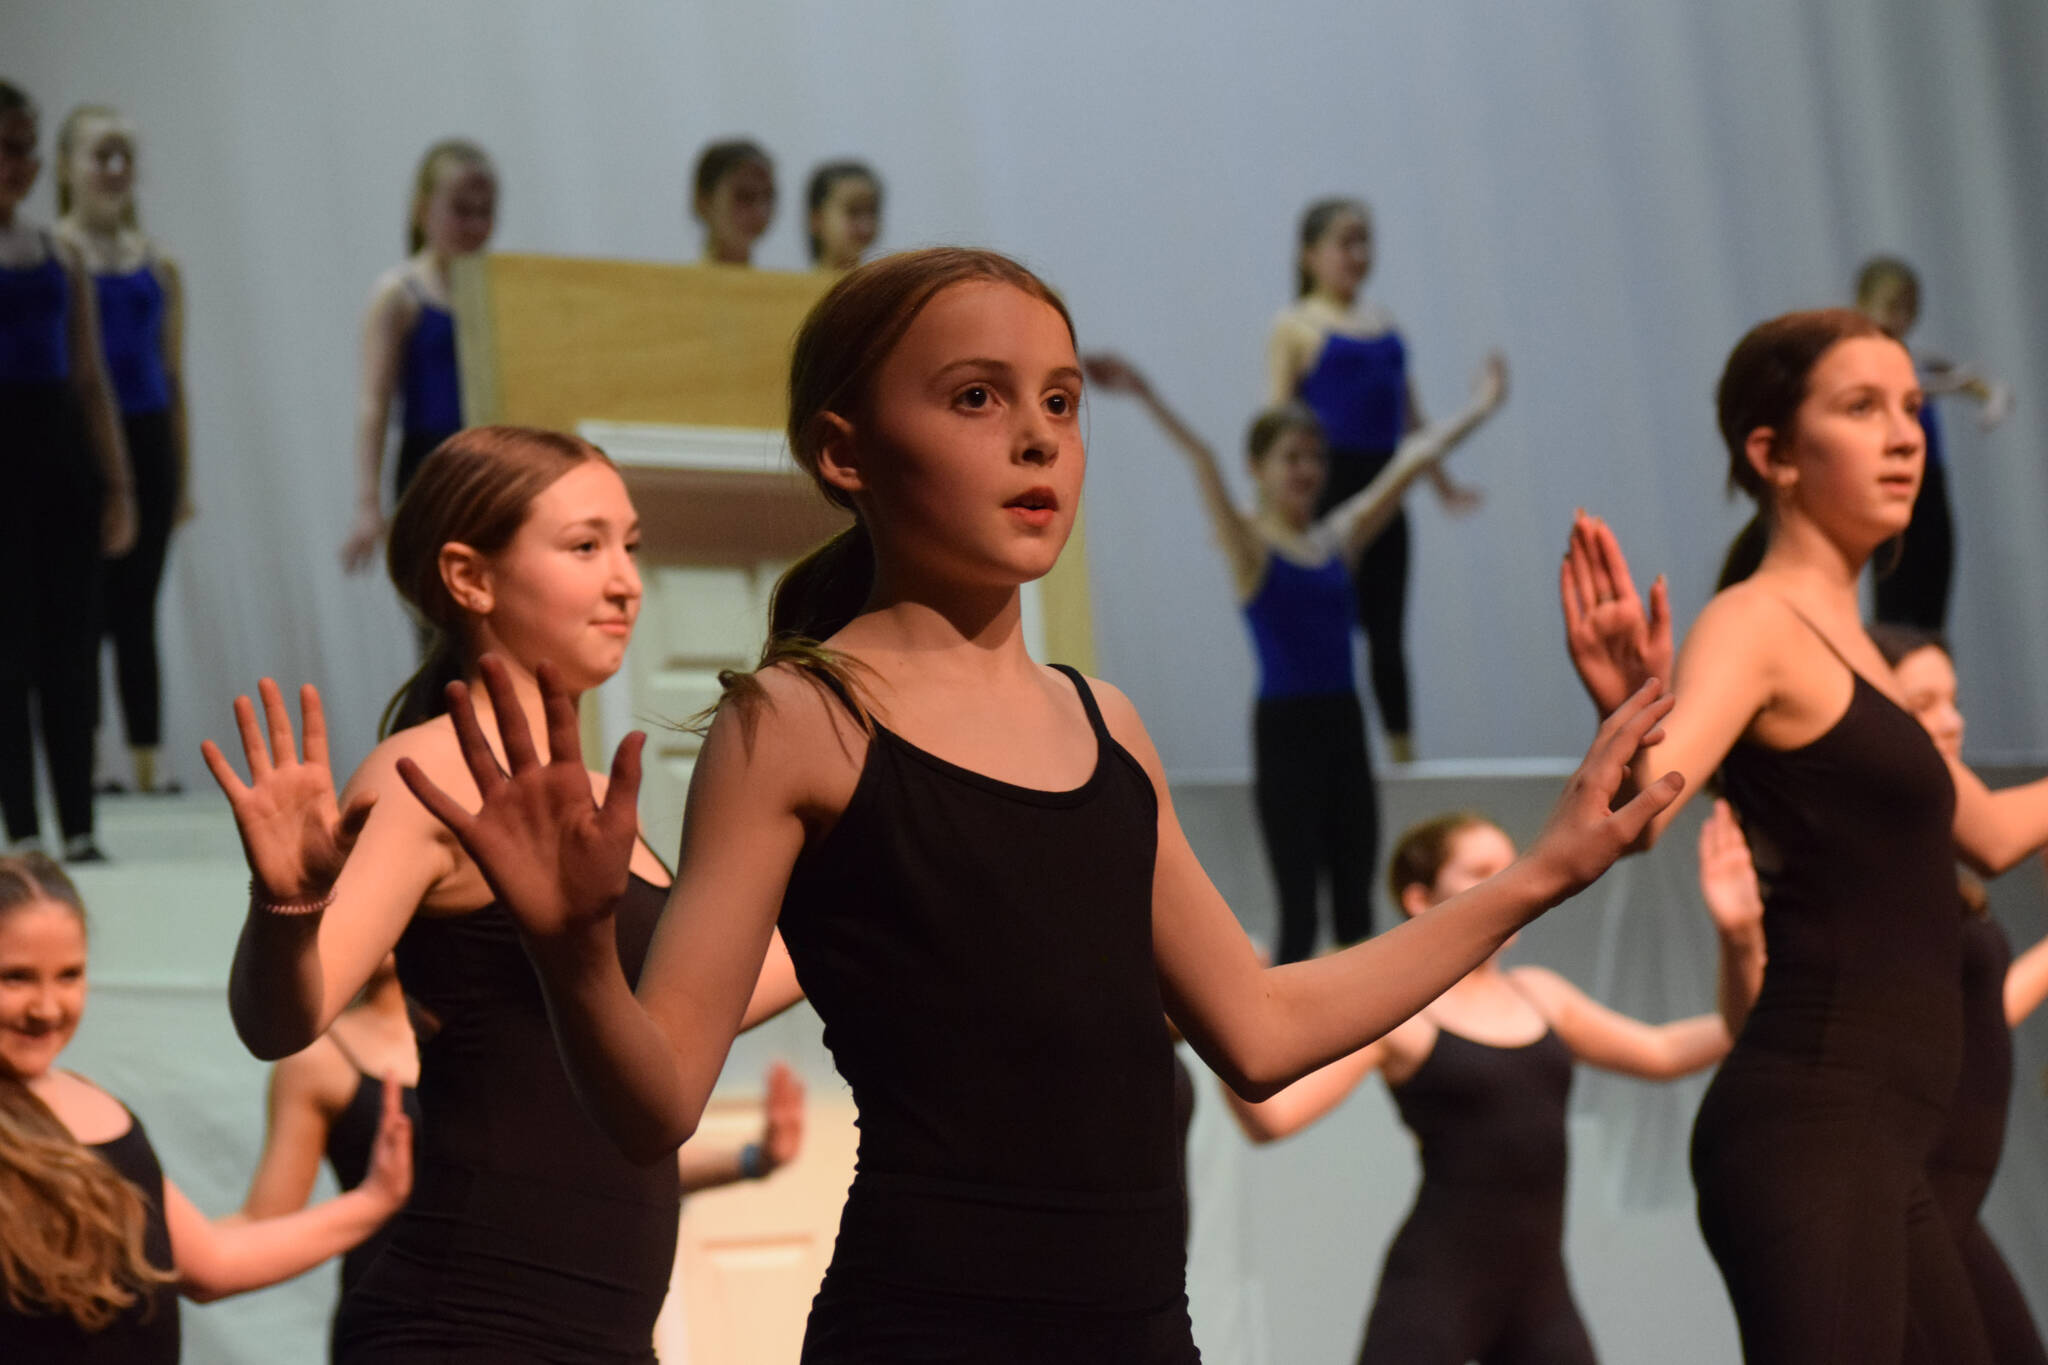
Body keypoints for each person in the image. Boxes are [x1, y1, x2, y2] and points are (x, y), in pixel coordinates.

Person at [393, 247, 1682, 1362]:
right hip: (924, 1332)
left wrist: (1543, 872)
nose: (1035, 437)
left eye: (1060, 403)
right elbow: (658, 1097)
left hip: (1136, 1334)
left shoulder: (1104, 724)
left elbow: (1263, 1025)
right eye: (974, 398)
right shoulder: (796, 721)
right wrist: (571, 954)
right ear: (843, 450)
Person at [206, 426, 806, 1362]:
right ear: (470, 577)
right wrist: (285, 906)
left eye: (631, 544)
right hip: (469, 1324)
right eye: (585, 545)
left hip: (601, 1334)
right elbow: (287, 1018)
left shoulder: (594, 801)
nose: (626, 581)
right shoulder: (429, 769)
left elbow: (691, 1004)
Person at [1558, 307, 2048, 1363]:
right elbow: (1639, 813)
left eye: (1911, 409)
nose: (1905, 435)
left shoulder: (1855, 646)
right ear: (1772, 455)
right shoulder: (1755, 622)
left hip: (1879, 1146)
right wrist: (1626, 719)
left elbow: (1997, 833)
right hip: (1812, 1127)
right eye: (1861, 408)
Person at [1223, 809, 1759, 1364]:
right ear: (1419, 900)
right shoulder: (1404, 1017)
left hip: (1541, 1295)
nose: (1506, 884)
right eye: (1481, 870)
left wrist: (1739, 938)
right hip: (1439, 1284)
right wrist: (1222, 1012)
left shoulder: (1541, 996)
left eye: (1510, 867)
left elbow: (1672, 1050)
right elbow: (1271, 1118)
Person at [1084, 351, 1506, 961]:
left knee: (1357, 907)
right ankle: (1290, 1055)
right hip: (1286, 738)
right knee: (1300, 909)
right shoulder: (1249, 548)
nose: (1307, 469)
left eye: (1315, 457)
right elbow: (1202, 459)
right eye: (1291, 458)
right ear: (1258, 468)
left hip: (1344, 730)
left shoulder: (1337, 537)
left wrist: (1480, 407)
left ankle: (1368, 1051)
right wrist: (1145, 393)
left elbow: (1411, 460)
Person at [1715, 624, 2048, 1365]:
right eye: (1924, 701)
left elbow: (1977, 1017)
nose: (1953, 718)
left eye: (1955, 699)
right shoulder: (1852, 870)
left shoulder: (1931, 869)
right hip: (1887, 1177)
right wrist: (1737, 940)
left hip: (1941, 1196)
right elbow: (1760, 1024)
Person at [236, 949, 803, 1358]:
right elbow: (267, 1224)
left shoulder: (519, 1030)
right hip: (411, 1325)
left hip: (549, 1316)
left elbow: (595, 1170)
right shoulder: (319, 1061)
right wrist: (373, 1200)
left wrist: (753, 1160)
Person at [0, 852, 411, 1362]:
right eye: (15, 978)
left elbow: (212, 1264)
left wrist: (375, 1198)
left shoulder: (98, 1107)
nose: (47, 1007)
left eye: (68, 975)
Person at [1266, 197, 1494, 763]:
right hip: (1328, 489)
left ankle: (1402, 756)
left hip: (1389, 486)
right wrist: (1271, 508)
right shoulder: (1295, 326)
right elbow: (1276, 423)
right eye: (1346, 242)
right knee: (1329, 630)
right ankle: (1329, 757)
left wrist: (1441, 484)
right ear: (1310, 254)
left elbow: (1410, 419)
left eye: (1365, 241)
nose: (1359, 254)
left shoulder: (1385, 324)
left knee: (1389, 634)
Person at [0, 79, 136, 864]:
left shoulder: (61, 255)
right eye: (7, 146)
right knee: (6, 652)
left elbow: (90, 381)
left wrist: (117, 486)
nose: (20, 162)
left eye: (28, 145)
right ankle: (20, 825)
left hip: (58, 469)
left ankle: (80, 823)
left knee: (70, 650)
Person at [55, 104, 190, 796]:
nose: (113, 170)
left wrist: (182, 474)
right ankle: (92, 757)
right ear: (66, 166)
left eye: (123, 157)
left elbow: (172, 376)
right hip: (81, 443)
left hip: (148, 440)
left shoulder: (159, 264)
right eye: (99, 155)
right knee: (87, 609)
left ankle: (148, 758)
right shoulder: (58, 254)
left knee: (140, 605)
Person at [340, 140, 496, 573]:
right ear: (423, 210)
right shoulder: (400, 294)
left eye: (485, 212)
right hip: (429, 469)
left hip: (490, 471)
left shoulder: (499, 291)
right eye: (461, 211)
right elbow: (374, 404)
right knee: (440, 620)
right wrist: (368, 505)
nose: (474, 225)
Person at [1854, 257, 2011, 632]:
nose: (1900, 318)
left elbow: (1969, 381)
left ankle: (1931, 665)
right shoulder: (1863, 362)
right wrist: (1950, 385)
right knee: (1895, 596)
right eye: (1892, 306)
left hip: (1931, 483)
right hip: (1890, 486)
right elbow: (1910, 386)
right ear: (1864, 304)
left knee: (1933, 585)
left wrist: (1993, 396)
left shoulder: (1917, 360)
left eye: (1909, 308)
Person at [692, 140, 775, 267]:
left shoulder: (776, 285)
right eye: (744, 197)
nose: (760, 212)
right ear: (705, 202)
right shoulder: (673, 284)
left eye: (768, 197)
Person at [805, 161, 882, 272]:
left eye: (872, 211)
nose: (865, 223)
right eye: (853, 211)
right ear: (817, 219)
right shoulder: (799, 286)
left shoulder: (879, 287)